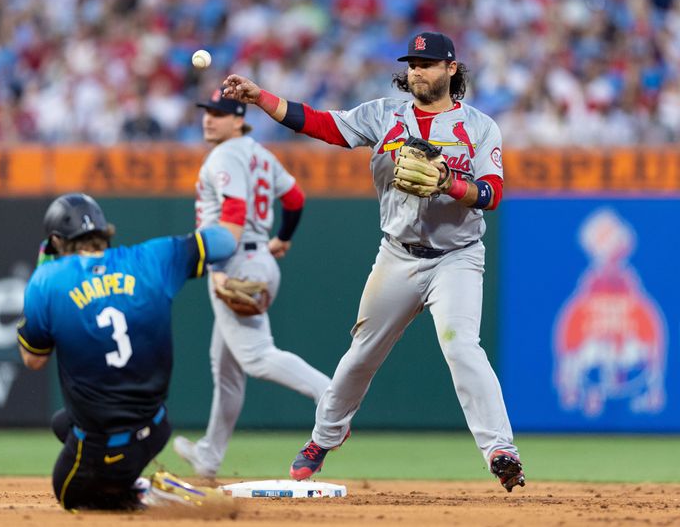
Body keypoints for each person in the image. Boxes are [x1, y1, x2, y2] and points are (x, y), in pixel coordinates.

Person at [221, 31, 526, 492]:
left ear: (451, 69)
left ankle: (500, 449)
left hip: (458, 257)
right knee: (361, 354)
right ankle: (324, 437)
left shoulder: (480, 127)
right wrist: (260, 97)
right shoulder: (384, 115)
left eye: (427, 63)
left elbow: (492, 194)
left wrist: (448, 183)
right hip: (398, 256)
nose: (417, 71)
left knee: (461, 345)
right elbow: (319, 124)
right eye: (412, 63)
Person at [17, 192, 238, 510]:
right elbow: (224, 243)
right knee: (61, 424)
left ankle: (147, 492)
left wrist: (38, 283)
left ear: (55, 240)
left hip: (102, 439)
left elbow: (33, 359)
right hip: (156, 425)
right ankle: (130, 477)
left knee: (69, 492)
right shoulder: (153, 257)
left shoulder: (47, 280)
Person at [172, 87, 331, 479]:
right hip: (258, 256)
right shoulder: (260, 154)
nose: (209, 118)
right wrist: (283, 237)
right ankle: (209, 455)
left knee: (256, 356)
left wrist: (218, 267)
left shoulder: (225, 155)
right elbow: (294, 198)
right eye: (207, 111)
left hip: (235, 258)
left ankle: (332, 395)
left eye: (220, 113)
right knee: (225, 368)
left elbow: (235, 211)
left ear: (240, 118)